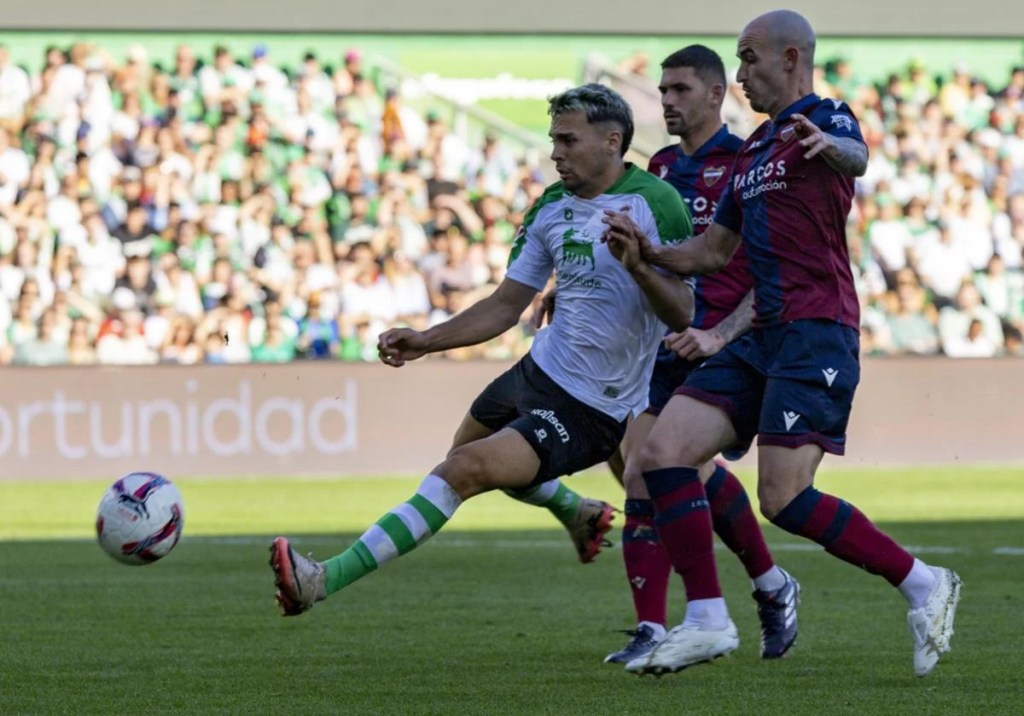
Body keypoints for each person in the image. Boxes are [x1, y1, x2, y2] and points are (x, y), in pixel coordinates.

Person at [602, 10, 961, 678]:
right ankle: (707, 618)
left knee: (783, 499)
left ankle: (922, 581)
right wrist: (651, 252)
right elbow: (715, 250)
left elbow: (858, 156)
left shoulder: (825, 117)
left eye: (747, 60)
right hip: (758, 333)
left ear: (790, 57)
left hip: (816, 331)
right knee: (659, 454)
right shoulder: (753, 150)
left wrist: (831, 146)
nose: (739, 76)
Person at [268, 84, 696, 620]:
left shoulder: (656, 203)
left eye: (567, 140)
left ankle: (322, 579)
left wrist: (637, 265)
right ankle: (577, 510)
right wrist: (427, 340)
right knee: (457, 462)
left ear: (613, 141)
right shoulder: (550, 209)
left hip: (595, 407)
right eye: (552, 140)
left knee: (463, 471)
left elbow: (683, 311)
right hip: (536, 372)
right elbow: (503, 306)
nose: (554, 153)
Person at [526, 46, 800, 667]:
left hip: (725, 343)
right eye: (663, 90)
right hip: (664, 340)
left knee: (659, 466)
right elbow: (632, 252)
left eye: (679, 90)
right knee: (644, 471)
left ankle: (749, 593)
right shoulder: (660, 166)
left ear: (715, 94)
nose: (667, 101)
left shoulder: (748, 161)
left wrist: (723, 332)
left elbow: (771, 260)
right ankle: (674, 620)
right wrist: (558, 288)